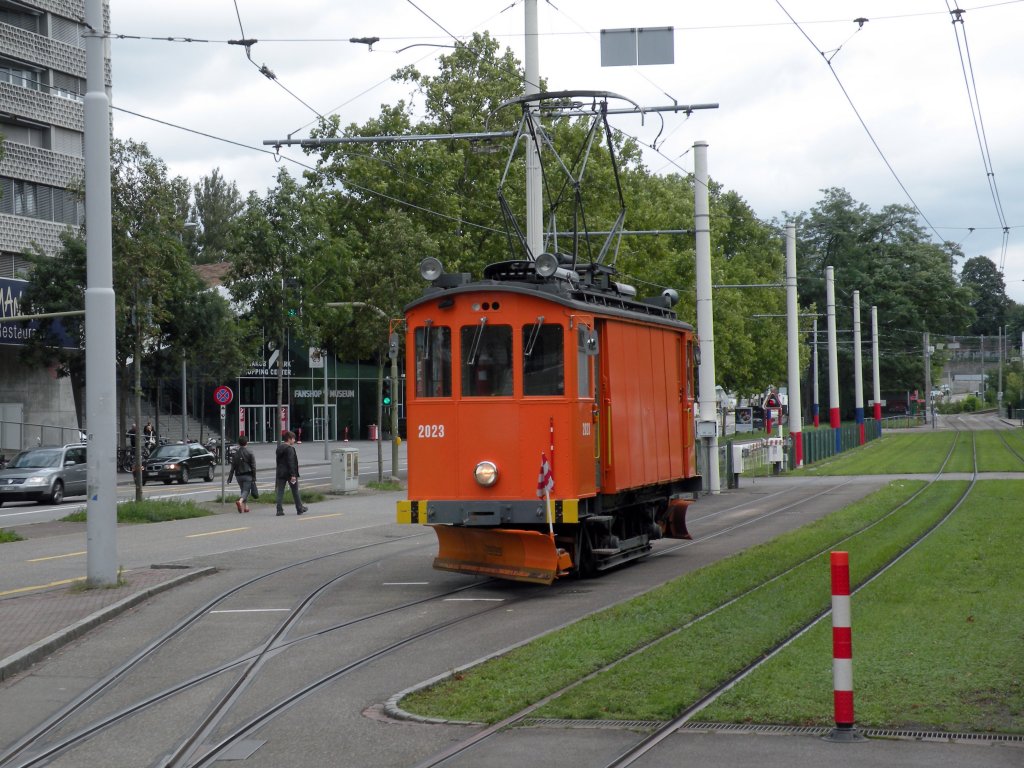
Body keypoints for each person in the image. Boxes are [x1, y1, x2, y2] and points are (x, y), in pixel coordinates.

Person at [275, 430, 307, 516]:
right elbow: (291, 462)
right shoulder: (290, 449)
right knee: (295, 491)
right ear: (289, 439)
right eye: (293, 439)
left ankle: (279, 510)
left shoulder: (279, 448)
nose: (294, 441)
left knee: (280, 491)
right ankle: (299, 509)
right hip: (289, 473)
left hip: (280, 472)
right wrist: (293, 474)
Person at [228, 435, 257, 513]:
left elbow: (233, 467)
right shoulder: (250, 452)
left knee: (243, 490)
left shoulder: (235, 454)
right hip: (248, 475)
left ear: (239, 443)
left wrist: (230, 478)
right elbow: (253, 466)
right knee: (246, 491)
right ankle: (240, 502)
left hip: (238, 475)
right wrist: (254, 477)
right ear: (246, 442)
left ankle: (245, 507)